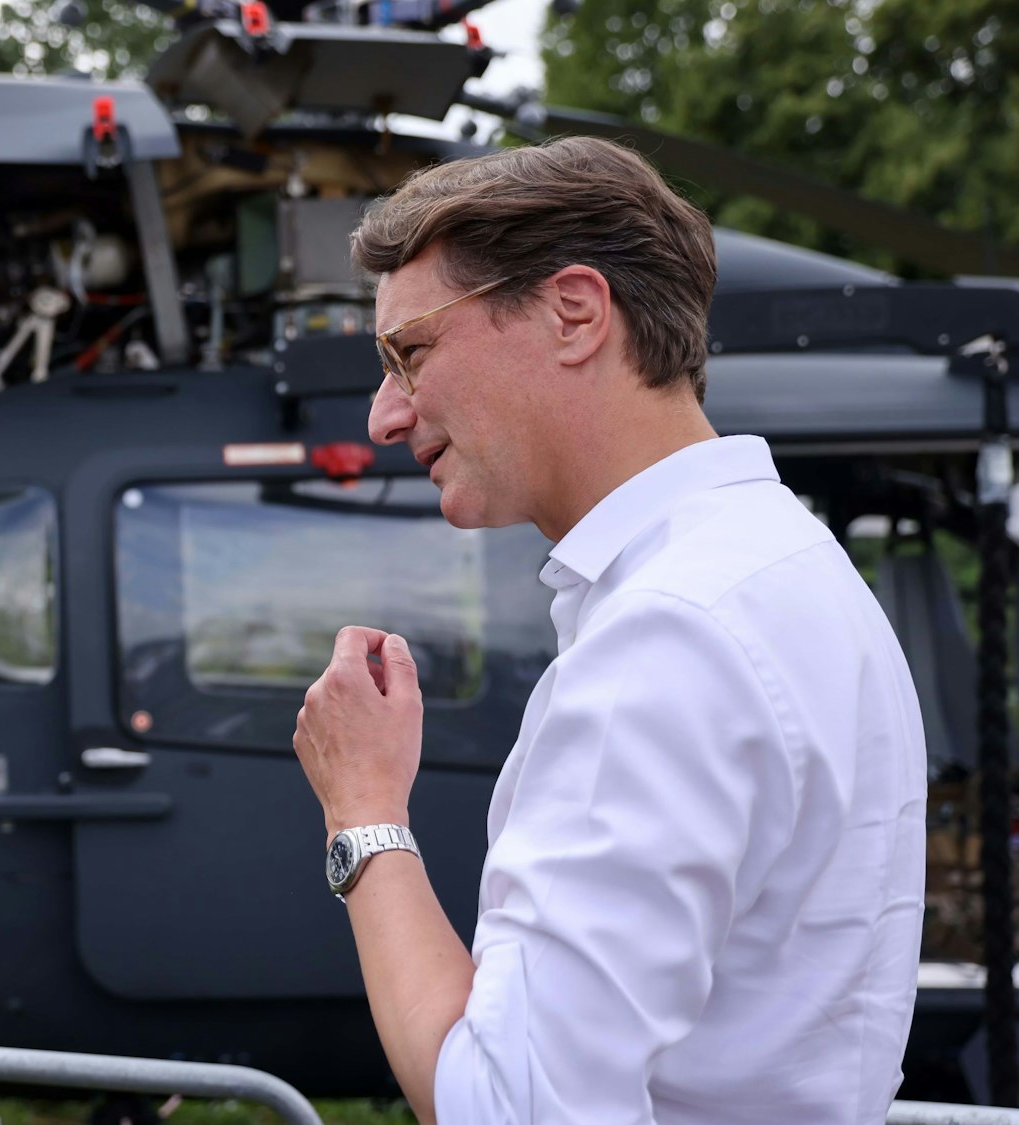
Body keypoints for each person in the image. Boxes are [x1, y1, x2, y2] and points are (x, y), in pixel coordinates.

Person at [291, 137, 926, 1124]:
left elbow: (501, 1108)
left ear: (573, 312)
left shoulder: (665, 640)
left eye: (408, 353)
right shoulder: (784, 570)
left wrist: (361, 814)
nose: (383, 414)